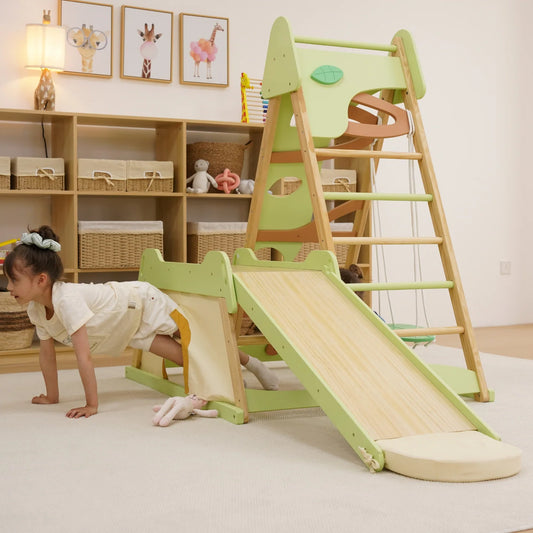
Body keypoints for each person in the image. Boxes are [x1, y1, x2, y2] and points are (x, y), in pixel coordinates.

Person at [3, 225, 279, 418]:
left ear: (41, 280)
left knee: (199, 342)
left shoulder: (67, 300)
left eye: (13, 280)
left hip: (143, 303)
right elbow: (47, 356)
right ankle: (231, 375)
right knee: (187, 357)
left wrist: (91, 405)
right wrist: (52, 396)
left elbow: (83, 356)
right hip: (130, 329)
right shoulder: (37, 310)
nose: (9, 287)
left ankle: (252, 364)